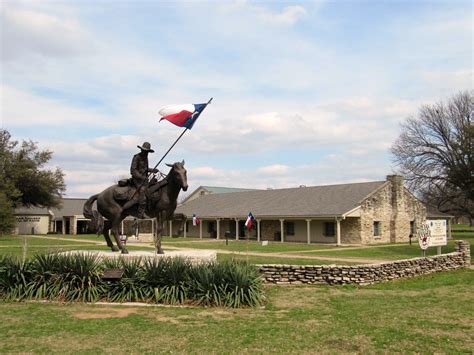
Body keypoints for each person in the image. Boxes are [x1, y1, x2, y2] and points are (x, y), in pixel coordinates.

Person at [122, 142, 158, 218]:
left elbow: (145, 169)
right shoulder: (136, 157)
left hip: (144, 181)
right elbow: (133, 170)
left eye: (147, 151)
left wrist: (152, 170)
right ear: (142, 150)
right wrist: (141, 177)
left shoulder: (146, 158)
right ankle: (141, 213)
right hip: (137, 180)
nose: (146, 153)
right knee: (143, 193)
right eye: (145, 151)